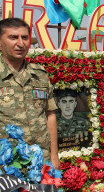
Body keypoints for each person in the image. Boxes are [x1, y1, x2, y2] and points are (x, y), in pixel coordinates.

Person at [0, 18, 60, 169]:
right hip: (7, 164)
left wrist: (54, 156)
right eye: (13, 37)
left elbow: (50, 114)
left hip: (41, 161)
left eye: (24, 37)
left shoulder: (39, 74)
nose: (20, 43)